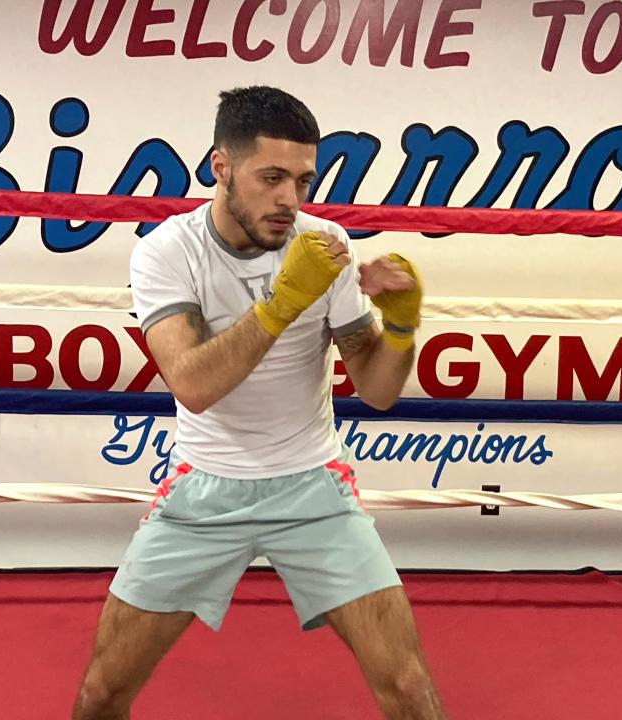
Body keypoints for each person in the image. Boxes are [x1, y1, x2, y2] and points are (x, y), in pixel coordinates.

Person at [73, 86, 446, 720]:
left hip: (313, 490)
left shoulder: (325, 244)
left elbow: (379, 391)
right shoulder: (168, 251)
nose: (289, 200)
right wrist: (280, 305)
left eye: (303, 180)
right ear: (221, 167)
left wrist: (403, 328)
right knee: (103, 690)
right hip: (204, 492)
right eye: (271, 178)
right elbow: (192, 384)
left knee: (409, 688)